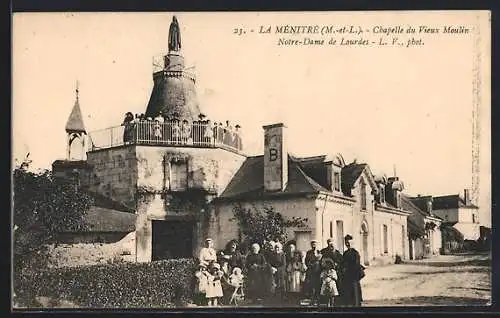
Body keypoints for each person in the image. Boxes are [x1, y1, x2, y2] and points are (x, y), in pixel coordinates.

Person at [341, 234, 364, 307]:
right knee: (348, 294)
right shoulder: (345, 253)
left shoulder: (355, 253)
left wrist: (348, 269)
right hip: (347, 276)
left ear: (352, 243)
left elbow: (356, 265)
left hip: (354, 276)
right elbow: (343, 263)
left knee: (355, 293)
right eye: (346, 243)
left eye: (349, 243)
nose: (347, 244)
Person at [304, 240, 322, 306]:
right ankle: (312, 299)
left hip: (318, 271)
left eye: (315, 244)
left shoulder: (319, 252)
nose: (314, 246)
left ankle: (318, 300)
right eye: (312, 245)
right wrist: (309, 264)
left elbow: (321, 261)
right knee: (311, 285)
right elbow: (306, 261)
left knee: (318, 285)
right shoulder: (309, 252)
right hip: (311, 271)